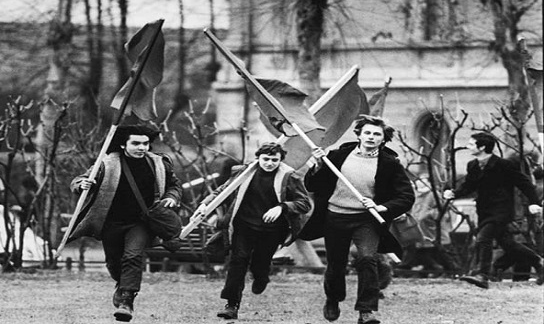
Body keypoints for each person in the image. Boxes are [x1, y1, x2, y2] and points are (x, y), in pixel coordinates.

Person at [302, 115, 415, 324]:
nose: (371, 137)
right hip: (335, 216)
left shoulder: (390, 164)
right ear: (359, 135)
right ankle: (333, 298)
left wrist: (382, 207)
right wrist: (318, 165)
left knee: (367, 258)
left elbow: (406, 196)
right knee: (336, 264)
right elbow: (313, 185)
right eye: (368, 133)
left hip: (366, 220)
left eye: (377, 134)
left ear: (383, 139)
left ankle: (366, 310)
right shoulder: (338, 156)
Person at [68, 125, 182, 322]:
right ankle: (122, 286)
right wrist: (82, 185)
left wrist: (172, 197)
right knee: (113, 262)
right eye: (136, 143)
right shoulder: (107, 163)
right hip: (112, 222)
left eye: (145, 143)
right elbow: (80, 180)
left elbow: (174, 185)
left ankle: (126, 302)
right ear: (123, 144)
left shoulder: (159, 163)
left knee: (132, 256)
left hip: (142, 221)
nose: (142, 147)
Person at [191, 142, 311, 320]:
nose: (269, 163)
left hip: (272, 230)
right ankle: (231, 305)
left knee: (260, 263)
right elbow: (222, 191)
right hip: (244, 226)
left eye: (274, 160)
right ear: (258, 158)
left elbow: (304, 203)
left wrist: (282, 207)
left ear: (280, 160)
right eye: (265, 159)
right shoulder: (244, 172)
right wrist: (204, 205)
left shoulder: (289, 177)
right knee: (238, 261)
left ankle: (261, 276)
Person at [443, 132, 544, 288]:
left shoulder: (503, 165)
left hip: (501, 210)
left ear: (482, 147)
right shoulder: (473, 165)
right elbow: (469, 186)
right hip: (485, 211)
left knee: (483, 239)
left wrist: (534, 202)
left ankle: (483, 275)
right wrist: (454, 193)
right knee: (508, 244)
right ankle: (539, 263)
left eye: (471, 143)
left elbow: (523, 182)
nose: (468, 146)